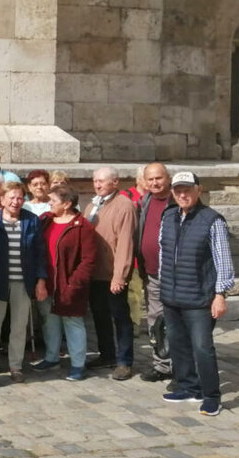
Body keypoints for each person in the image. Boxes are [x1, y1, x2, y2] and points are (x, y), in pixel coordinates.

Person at [158, 171, 234, 416]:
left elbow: (223, 261)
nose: (183, 194)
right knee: (178, 344)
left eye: (187, 190)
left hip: (200, 298)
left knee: (202, 347)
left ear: (198, 190)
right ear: (172, 193)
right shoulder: (168, 216)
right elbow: (163, 254)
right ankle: (189, 387)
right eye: (178, 190)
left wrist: (220, 294)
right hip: (171, 295)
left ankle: (212, 395)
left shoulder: (212, 220)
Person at [0, 182, 45, 384]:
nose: (16, 202)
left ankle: (15, 365)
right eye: (11, 197)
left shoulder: (31, 220)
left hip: (23, 281)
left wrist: (41, 280)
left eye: (19, 198)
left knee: (19, 326)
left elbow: (40, 253)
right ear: (2, 199)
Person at [33, 184, 96, 380]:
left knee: (72, 322)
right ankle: (52, 357)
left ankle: (78, 363)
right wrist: (39, 280)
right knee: (49, 320)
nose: (49, 204)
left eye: (53, 201)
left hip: (69, 284)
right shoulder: (46, 221)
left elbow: (88, 260)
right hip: (47, 280)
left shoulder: (82, 226)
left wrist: (73, 284)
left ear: (67, 204)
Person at [85, 166, 137, 380]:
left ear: (115, 183)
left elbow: (125, 243)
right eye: (95, 180)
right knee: (100, 315)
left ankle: (124, 361)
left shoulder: (124, 206)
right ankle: (106, 354)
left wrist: (120, 276)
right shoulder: (92, 205)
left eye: (102, 181)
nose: (97, 184)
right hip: (95, 272)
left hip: (113, 273)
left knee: (120, 317)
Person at [136, 162, 176, 383]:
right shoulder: (146, 201)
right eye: (150, 179)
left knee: (176, 321)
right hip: (152, 272)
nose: (154, 183)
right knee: (155, 321)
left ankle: (180, 364)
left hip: (176, 275)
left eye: (158, 178)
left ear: (168, 177)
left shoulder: (177, 200)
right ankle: (161, 365)